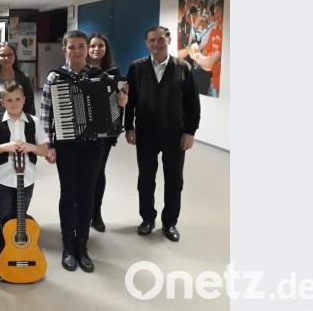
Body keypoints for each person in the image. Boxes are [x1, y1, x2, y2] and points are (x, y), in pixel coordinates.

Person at [40, 30, 128, 273]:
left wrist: (120, 103)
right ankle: (68, 245)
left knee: (87, 194)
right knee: (68, 193)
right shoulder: (55, 78)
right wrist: (48, 144)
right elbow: (46, 114)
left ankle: (83, 245)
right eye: (72, 47)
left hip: (93, 145)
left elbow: (113, 115)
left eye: (81, 46)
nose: (77, 51)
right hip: (66, 144)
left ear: (87, 49)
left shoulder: (102, 76)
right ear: (65, 50)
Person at [125, 26, 201, 243]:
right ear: (146, 43)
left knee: (174, 180)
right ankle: (147, 219)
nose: (156, 44)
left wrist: (190, 132)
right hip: (146, 134)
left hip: (175, 134)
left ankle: (170, 223)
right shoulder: (136, 68)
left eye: (160, 40)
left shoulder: (183, 68)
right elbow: (129, 101)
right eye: (152, 40)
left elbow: (192, 104)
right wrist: (129, 126)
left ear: (168, 40)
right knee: (146, 180)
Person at [0, 80, 50, 278]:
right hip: (3, 178)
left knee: (20, 216)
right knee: (3, 217)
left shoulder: (33, 122)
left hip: (26, 178)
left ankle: (17, 251)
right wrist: (6, 146)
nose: (14, 103)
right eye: (9, 100)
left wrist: (30, 147)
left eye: (17, 99)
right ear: (2, 102)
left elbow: (45, 149)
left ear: (24, 100)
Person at [86, 32, 122, 233]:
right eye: (92, 46)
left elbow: (119, 103)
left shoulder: (114, 72)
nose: (96, 49)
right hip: (82, 130)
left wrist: (122, 101)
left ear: (106, 49)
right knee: (84, 172)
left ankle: (96, 213)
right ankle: (82, 210)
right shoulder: (80, 71)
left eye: (100, 46)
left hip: (105, 131)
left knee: (99, 171)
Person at [0, 42, 35, 123]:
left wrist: (25, 125)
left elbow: (30, 106)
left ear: (15, 56)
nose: (6, 58)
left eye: (10, 55)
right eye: (2, 55)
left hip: (20, 127)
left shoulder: (24, 78)